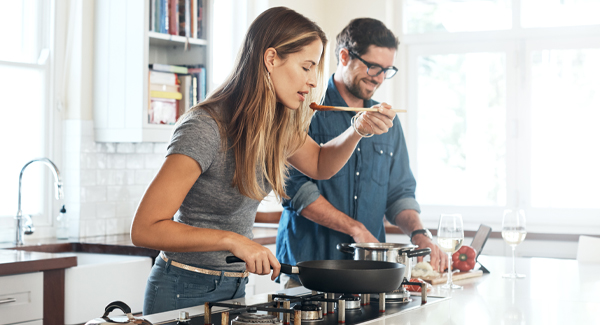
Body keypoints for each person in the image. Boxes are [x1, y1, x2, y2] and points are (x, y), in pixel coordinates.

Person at [131, 8, 397, 315]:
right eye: (307, 67)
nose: (313, 82)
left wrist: (357, 129)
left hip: (234, 287)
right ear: (271, 59)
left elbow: (321, 164)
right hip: (182, 289)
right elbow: (145, 228)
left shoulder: (275, 127)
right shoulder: (205, 127)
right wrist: (233, 241)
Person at [276, 18, 447, 287]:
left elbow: (399, 193)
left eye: (386, 70)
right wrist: (355, 229)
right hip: (309, 268)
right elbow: (294, 189)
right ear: (344, 56)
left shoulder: (387, 122)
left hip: (369, 272)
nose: (379, 78)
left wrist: (419, 233)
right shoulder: (303, 109)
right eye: (373, 66)